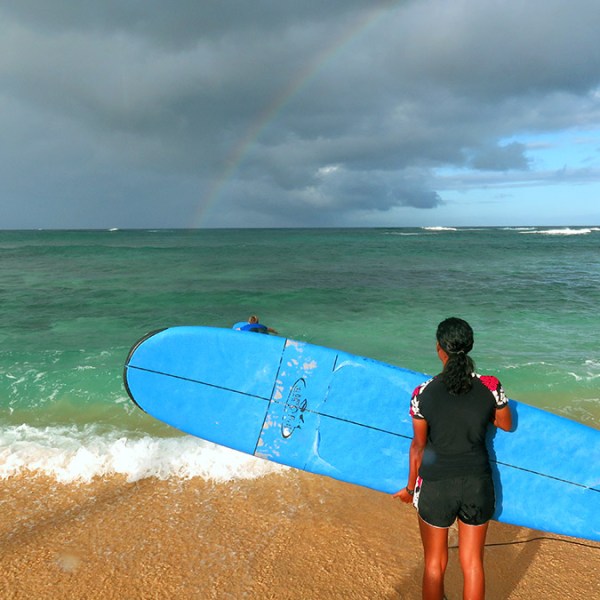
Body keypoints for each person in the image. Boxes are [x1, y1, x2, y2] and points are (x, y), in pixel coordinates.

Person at [393, 317, 512, 600]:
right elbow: (506, 424)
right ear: (469, 347)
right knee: (472, 564)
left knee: (435, 564)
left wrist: (410, 489)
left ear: (439, 348)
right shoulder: (491, 386)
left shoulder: (422, 393)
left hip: (436, 486)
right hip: (476, 484)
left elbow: (418, 447)